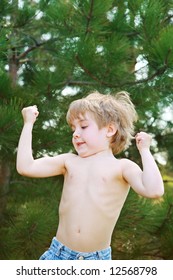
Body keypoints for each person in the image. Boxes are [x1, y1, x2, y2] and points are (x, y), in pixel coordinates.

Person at [16, 91, 164, 260]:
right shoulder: (69, 162)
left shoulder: (122, 167)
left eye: (83, 126)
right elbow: (26, 167)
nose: (75, 133)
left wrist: (145, 150)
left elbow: (154, 190)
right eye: (73, 128)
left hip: (96, 260)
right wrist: (28, 123)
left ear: (109, 130)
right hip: (58, 255)